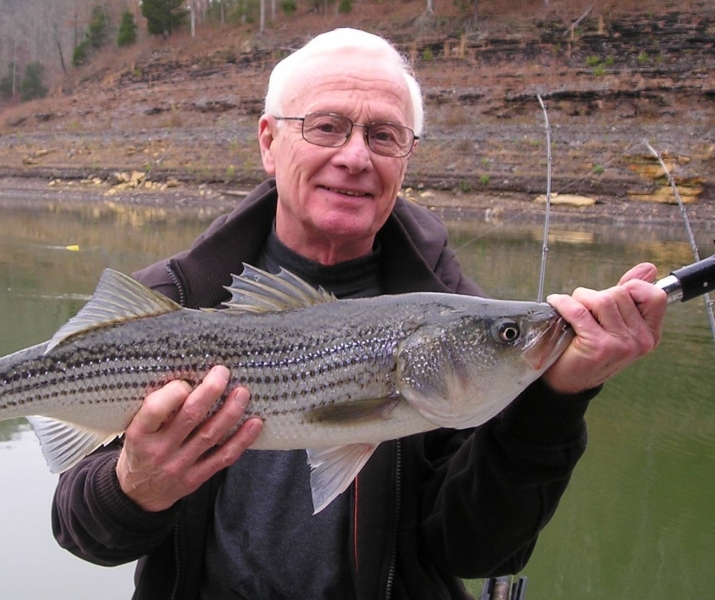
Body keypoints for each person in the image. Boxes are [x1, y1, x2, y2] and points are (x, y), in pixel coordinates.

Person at [52, 28, 666, 599]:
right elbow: (81, 532)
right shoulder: (168, 300)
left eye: (384, 135)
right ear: (269, 141)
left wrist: (557, 398)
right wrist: (133, 486)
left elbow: (475, 548)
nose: (355, 156)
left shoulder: (455, 321)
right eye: (327, 127)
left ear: (407, 156)